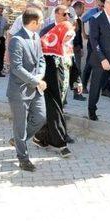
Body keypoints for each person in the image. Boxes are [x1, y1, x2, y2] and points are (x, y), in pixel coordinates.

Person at [6, 7, 47, 172]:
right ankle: (23, 159)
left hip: (35, 88)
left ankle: (18, 140)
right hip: (19, 91)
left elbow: (41, 59)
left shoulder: (36, 36)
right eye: (41, 20)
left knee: (40, 117)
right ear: (34, 22)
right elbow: (16, 68)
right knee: (20, 127)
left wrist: (40, 75)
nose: (43, 22)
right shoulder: (17, 40)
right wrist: (35, 80)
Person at [34, 20, 74, 157]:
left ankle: (40, 138)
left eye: (70, 36)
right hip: (50, 87)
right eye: (67, 36)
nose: (68, 39)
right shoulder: (47, 46)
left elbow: (73, 67)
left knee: (53, 114)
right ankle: (61, 145)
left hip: (62, 88)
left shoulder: (67, 47)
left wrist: (78, 81)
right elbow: (40, 66)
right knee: (56, 115)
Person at [71, 1, 86, 101]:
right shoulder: (70, 19)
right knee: (75, 72)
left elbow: (79, 36)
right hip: (70, 49)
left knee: (77, 72)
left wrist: (80, 47)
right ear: (77, 8)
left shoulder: (79, 21)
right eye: (82, 9)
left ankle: (77, 93)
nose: (83, 11)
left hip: (76, 49)